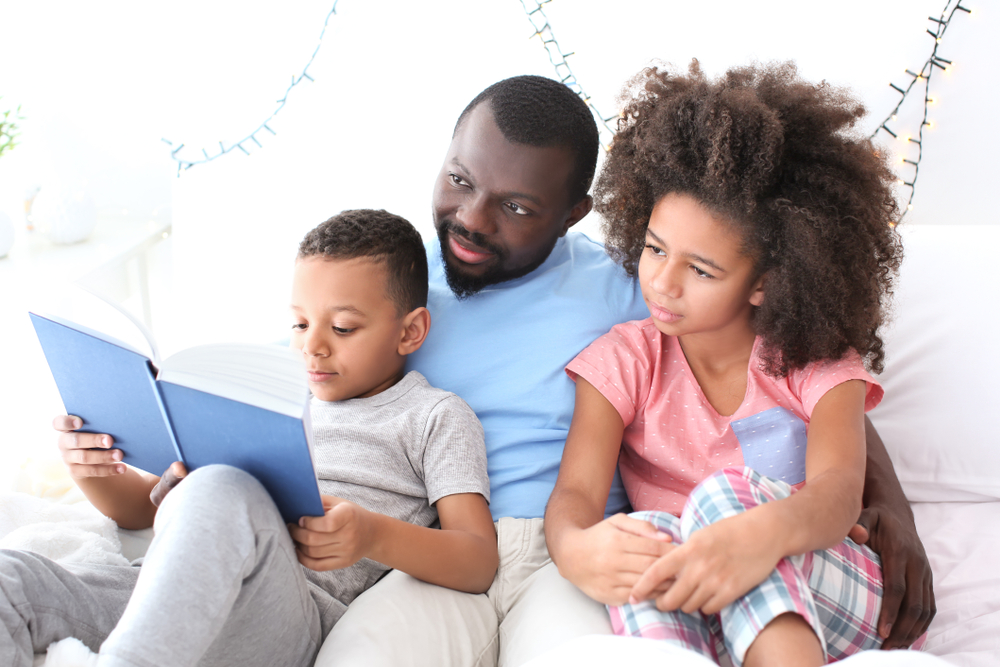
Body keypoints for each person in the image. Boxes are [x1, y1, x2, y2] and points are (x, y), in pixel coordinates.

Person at [315, 75, 934, 667]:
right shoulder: (387, 286)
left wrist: (895, 512)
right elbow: (310, 362)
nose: (474, 219)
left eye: (517, 206)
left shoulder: (638, 296)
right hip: (454, 547)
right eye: (459, 179)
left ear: (573, 213)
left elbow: (815, 413)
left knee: (700, 525)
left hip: (652, 557)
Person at [545, 61, 914, 666]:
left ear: (764, 282)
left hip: (828, 586)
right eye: (654, 249)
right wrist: (575, 549)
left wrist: (755, 535)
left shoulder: (814, 363)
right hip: (701, 592)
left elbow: (839, 493)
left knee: (724, 499)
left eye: (700, 269)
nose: (661, 283)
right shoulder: (625, 359)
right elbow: (576, 496)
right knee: (650, 542)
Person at [12, 209, 497, 667]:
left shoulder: (435, 416)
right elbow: (141, 510)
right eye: (300, 324)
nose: (313, 346)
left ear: (410, 331)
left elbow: (477, 560)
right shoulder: (264, 395)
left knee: (223, 488)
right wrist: (93, 469)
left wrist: (371, 534)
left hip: (281, 610)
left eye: (343, 327)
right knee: (14, 579)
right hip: (164, 594)